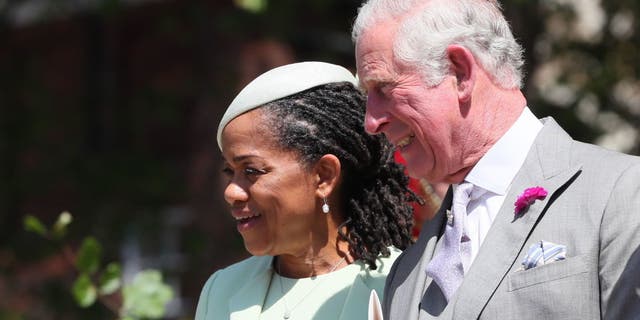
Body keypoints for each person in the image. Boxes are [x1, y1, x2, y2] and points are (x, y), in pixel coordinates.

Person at [352, 0, 640, 319]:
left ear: (460, 73)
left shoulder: (621, 192)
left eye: (383, 88)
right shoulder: (407, 271)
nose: (371, 121)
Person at [194, 61, 420, 320]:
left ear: (324, 176)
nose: (231, 192)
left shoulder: (403, 286)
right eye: (229, 172)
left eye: (252, 171)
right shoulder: (222, 290)